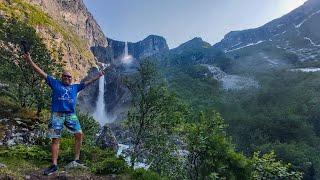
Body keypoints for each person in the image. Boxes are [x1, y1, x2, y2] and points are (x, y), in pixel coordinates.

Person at [22, 52, 106, 175]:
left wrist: (98, 76)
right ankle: (54, 164)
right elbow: (40, 72)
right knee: (55, 139)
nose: (66, 78)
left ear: (71, 79)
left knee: (79, 134)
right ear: (61, 77)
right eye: (65, 76)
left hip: (71, 114)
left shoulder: (75, 87)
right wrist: (29, 60)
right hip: (56, 114)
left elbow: (88, 82)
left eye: (69, 77)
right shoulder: (55, 83)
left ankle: (76, 159)